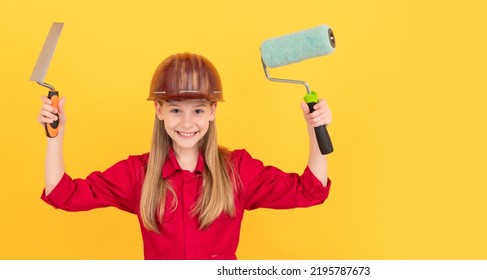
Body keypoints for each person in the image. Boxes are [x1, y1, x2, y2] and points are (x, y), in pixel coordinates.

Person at [37, 52, 332, 260]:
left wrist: (314, 129)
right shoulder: (138, 173)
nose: (187, 123)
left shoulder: (237, 170)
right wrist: (56, 137)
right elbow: (63, 195)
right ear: (159, 110)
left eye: (198, 111)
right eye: (176, 110)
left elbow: (310, 191)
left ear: (213, 112)